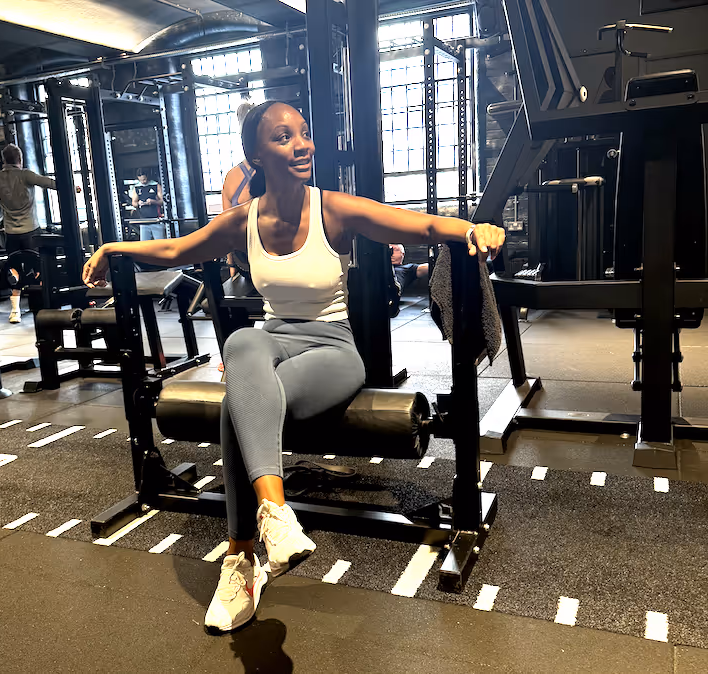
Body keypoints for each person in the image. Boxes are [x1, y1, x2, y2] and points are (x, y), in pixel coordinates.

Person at [83, 101, 504, 634]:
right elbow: (175, 249)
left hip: (333, 350)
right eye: (284, 138)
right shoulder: (245, 220)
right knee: (242, 344)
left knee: (241, 400)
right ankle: (275, 522)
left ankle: (240, 556)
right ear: (255, 154)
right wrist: (112, 246)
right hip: (272, 341)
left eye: (304, 134)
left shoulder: (335, 209)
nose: (302, 145)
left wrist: (473, 228)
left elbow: (419, 224)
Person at [0, 144, 57, 323]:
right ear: (20, 159)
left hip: (11, 234)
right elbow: (50, 183)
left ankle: (15, 311)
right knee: (38, 269)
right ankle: (44, 306)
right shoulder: (26, 175)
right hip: (31, 231)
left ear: (3, 160)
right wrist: (75, 187)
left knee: (15, 270)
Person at [222, 101, 257, 276]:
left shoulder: (231, 177)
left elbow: (227, 230)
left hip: (247, 264)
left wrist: (232, 270)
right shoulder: (279, 169)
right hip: (255, 263)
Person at [130, 169, 165, 241]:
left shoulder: (156, 185)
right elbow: (134, 203)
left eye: (144, 179)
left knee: (161, 244)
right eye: (141, 180)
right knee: (144, 245)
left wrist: (153, 201)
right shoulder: (137, 188)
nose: (143, 182)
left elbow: (163, 201)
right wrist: (138, 203)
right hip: (144, 221)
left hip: (156, 220)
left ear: (147, 177)